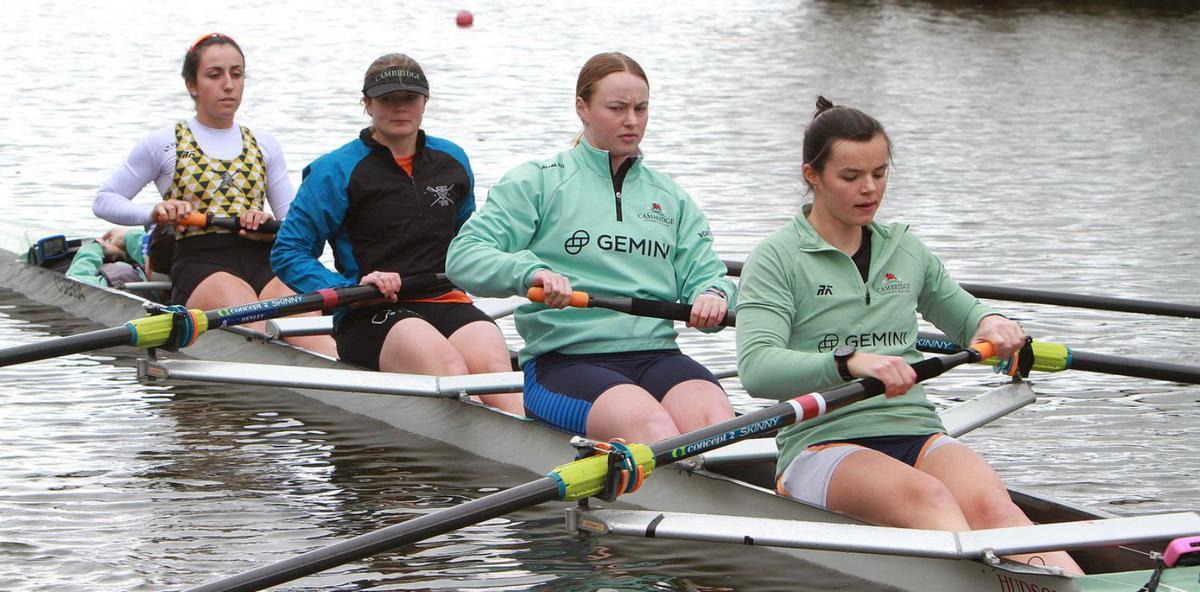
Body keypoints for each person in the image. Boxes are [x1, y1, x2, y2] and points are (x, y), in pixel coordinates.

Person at [735, 96, 1082, 573]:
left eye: (879, 173)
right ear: (812, 176)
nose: (870, 189)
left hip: (915, 428)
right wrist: (847, 363)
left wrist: (992, 326)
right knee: (931, 498)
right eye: (851, 177)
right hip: (822, 443)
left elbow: (966, 316)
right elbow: (757, 368)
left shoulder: (906, 249)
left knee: (996, 511)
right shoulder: (776, 259)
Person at [446, 52, 737, 443]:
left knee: (717, 422)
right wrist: (530, 273)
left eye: (641, 108)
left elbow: (705, 272)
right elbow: (463, 256)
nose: (632, 121)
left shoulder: (670, 197)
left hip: (657, 356)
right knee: (651, 427)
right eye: (616, 108)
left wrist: (714, 294)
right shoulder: (539, 182)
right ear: (582, 108)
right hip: (565, 362)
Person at [270, 54, 522, 415]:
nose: (399, 107)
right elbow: (289, 252)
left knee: (497, 374)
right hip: (369, 309)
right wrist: (345, 291)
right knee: (450, 370)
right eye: (387, 98)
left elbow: (468, 243)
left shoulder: (452, 160)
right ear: (367, 104)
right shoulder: (334, 171)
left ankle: (543, 449)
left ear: (425, 102)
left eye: (410, 98)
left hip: (444, 297)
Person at [91, 32, 336, 357]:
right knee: (257, 328)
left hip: (264, 257)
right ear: (192, 85)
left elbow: (293, 221)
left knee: (312, 329)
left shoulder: (264, 144)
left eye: (236, 74)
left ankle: (358, 383)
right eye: (215, 75)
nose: (229, 85)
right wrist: (154, 212)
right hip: (201, 260)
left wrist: (267, 226)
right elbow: (105, 199)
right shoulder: (164, 143)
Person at [65, 227, 147, 288]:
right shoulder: (158, 265)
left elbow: (74, 281)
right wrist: (127, 237)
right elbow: (157, 248)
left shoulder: (126, 279)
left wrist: (96, 246)